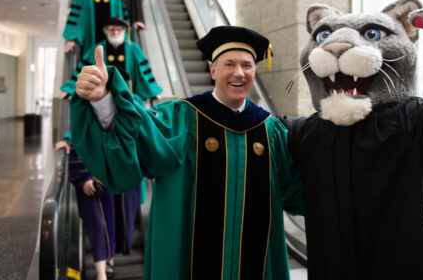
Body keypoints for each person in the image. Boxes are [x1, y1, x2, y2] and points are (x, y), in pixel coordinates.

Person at [69, 26, 302, 279]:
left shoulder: (271, 131)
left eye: (247, 65)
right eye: (229, 64)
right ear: (212, 69)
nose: (239, 73)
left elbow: (296, 188)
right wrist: (103, 99)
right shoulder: (182, 119)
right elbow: (139, 133)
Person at [55, 134, 121, 280]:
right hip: (87, 185)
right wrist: (68, 140)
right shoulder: (83, 126)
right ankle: (101, 272)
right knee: (97, 224)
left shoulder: (107, 125)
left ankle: (109, 259)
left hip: (106, 178)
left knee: (110, 220)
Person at [60, 18, 160, 100]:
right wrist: (70, 88)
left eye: (119, 29)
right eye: (112, 30)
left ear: (124, 31)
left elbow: (145, 71)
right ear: (106, 31)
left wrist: (153, 91)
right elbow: (84, 68)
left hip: (129, 92)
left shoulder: (133, 48)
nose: (115, 32)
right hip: (103, 95)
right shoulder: (98, 48)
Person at [62, 0, 128, 56]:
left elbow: (123, 18)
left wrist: (125, 38)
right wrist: (72, 38)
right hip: (89, 36)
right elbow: (74, 16)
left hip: (112, 37)